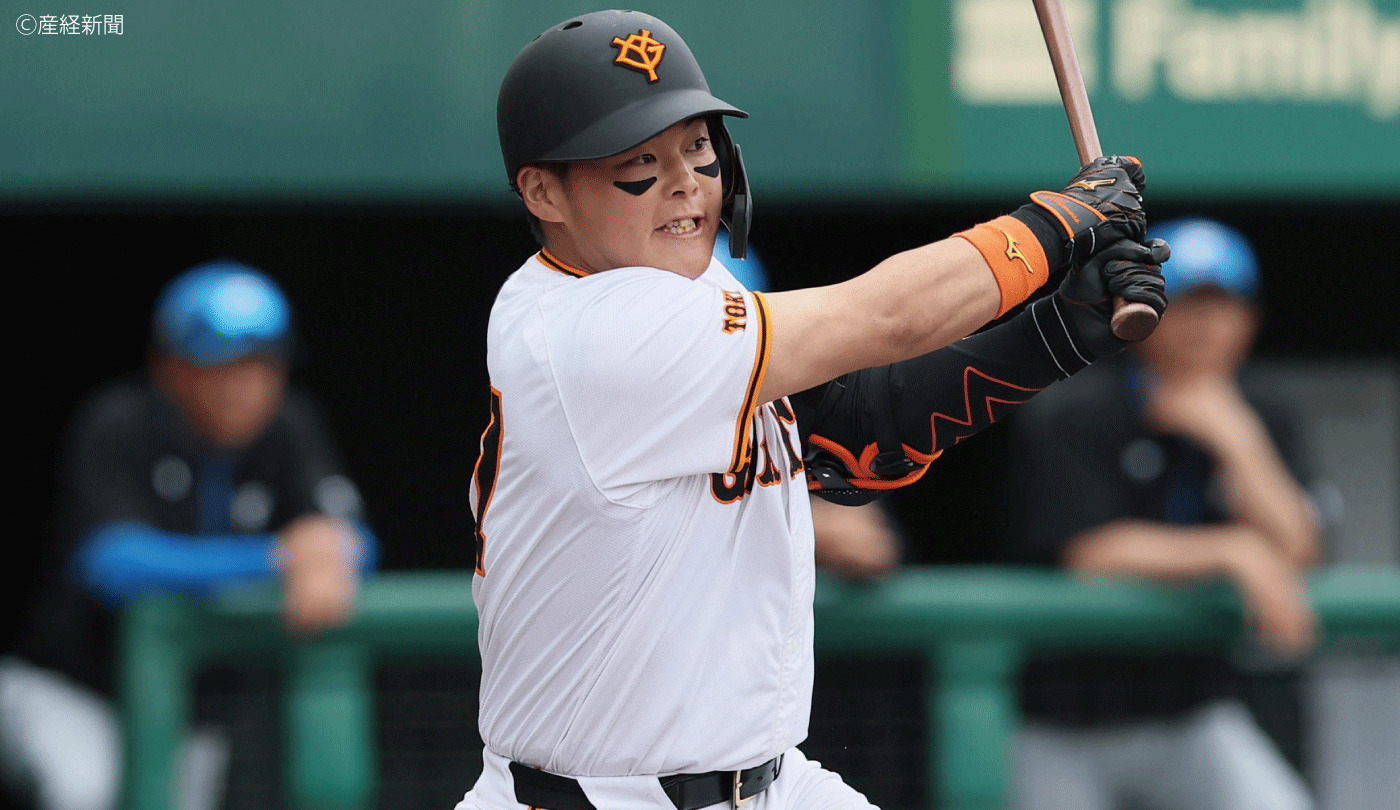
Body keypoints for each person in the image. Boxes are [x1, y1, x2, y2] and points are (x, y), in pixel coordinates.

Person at [460, 9, 1167, 810]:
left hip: (771, 780)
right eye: (639, 163)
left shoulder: (691, 285)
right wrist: (1057, 225)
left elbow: (857, 429)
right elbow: (882, 317)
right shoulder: (585, 330)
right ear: (542, 191)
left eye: (697, 147)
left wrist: (1052, 335)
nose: (686, 182)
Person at [0, 261, 379, 810]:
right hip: (66, 690)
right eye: (221, 365)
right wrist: (279, 557)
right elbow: (109, 562)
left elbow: (351, 543)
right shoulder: (119, 421)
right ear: (170, 368)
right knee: (89, 791)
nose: (244, 386)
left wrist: (333, 552)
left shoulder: (290, 427)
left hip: (187, 713)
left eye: (262, 366)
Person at [1006, 216, 1324, 810]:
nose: (1204, 325)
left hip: (1192, 712)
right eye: (1184, 304)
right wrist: (1233, 550)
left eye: (1221, 306)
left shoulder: (1263, 409)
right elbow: (1090, 552)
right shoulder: (1077, 405)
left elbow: (1301, 546)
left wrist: (1238, 443)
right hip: (1065, 716)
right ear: (1139, 311)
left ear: (1249, 320)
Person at [714, 229, 904, 581]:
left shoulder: (796, 408)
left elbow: (868, 548)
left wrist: (811, 525)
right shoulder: (621, 412)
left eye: (729, 333)